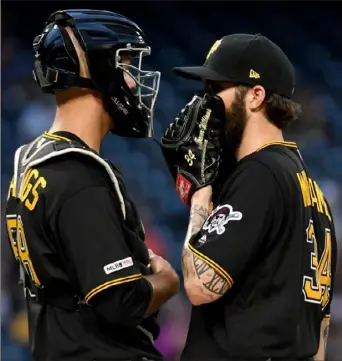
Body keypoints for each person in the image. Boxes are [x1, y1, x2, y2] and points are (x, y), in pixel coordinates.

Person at [5, 9, 179, 361]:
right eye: (127, 64)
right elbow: (120, 301)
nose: (133, 80)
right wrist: (167, 281)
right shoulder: (78, 175)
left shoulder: (30, 160)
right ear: (94, 69)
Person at [160, 33, 337, 361]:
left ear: (256, 96)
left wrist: (200, 196)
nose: (204, 102)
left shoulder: (260, 174)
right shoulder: (311, 190)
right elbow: (319, 334)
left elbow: (200, 285)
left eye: (215, 90)